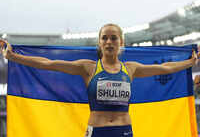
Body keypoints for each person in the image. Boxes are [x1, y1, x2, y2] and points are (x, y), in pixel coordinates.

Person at [0, 23, 199, 137]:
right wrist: (14, 57)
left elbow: (165, 67)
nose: (109, 42)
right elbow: (47, 64)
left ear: (121, 42)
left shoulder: (130, 69)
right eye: (105, 38)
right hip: (97, 132)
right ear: (99, 42)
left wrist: (190, 62)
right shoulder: (88, 68)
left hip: (124, 131)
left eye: (113, 38)